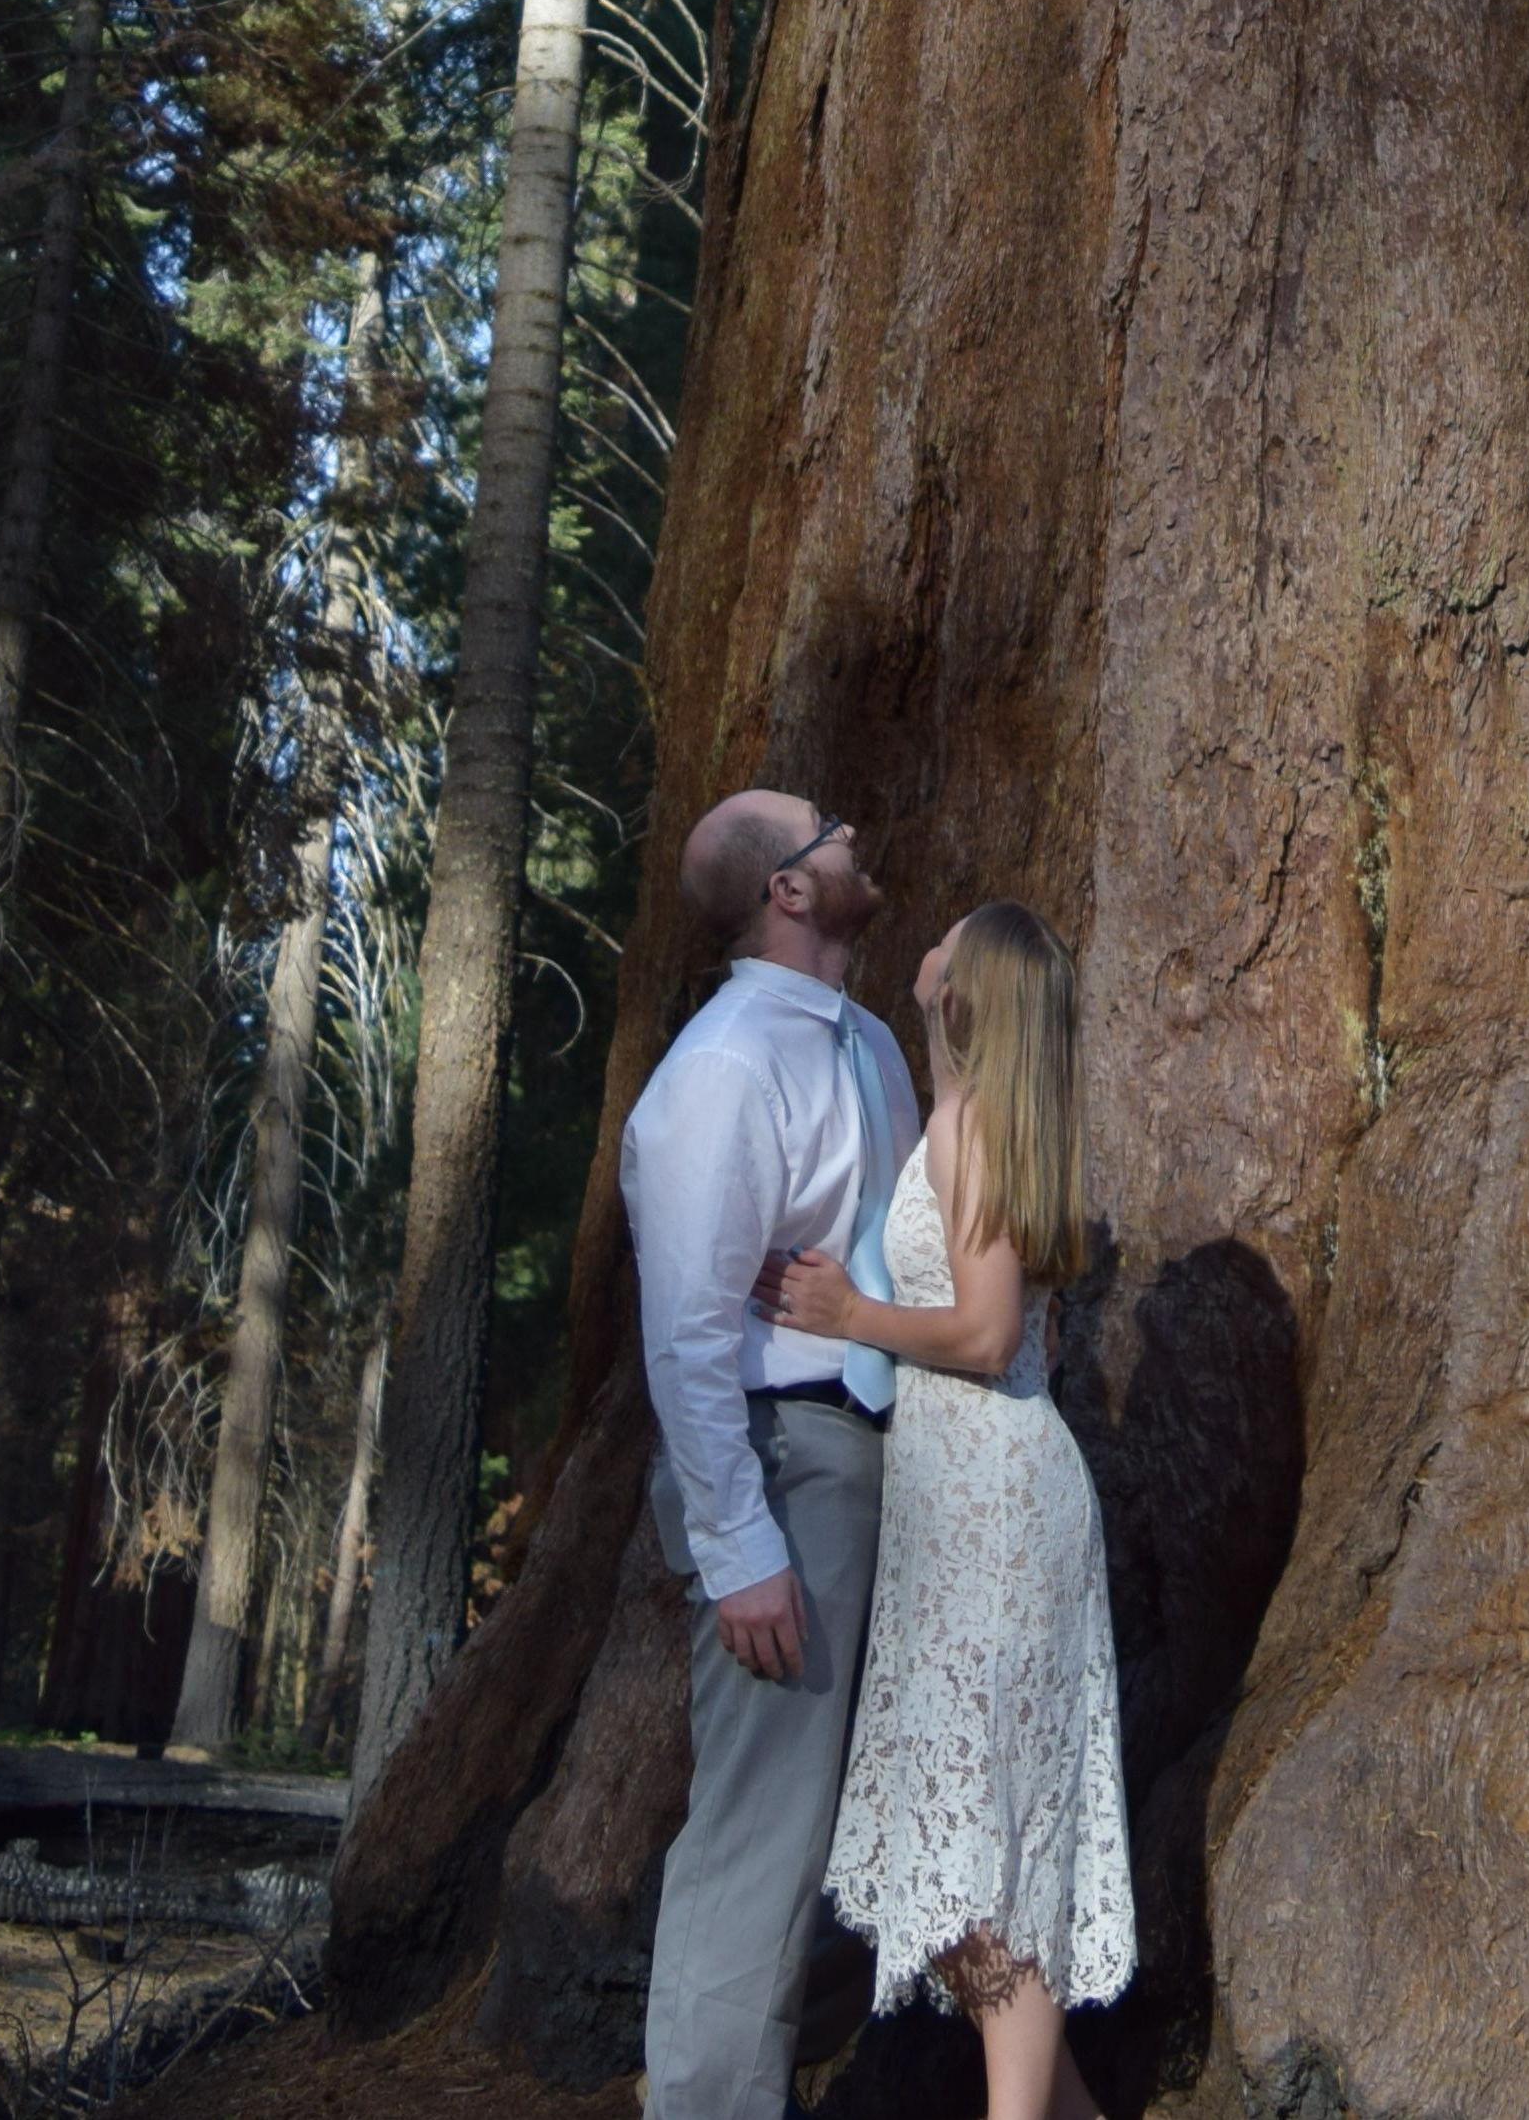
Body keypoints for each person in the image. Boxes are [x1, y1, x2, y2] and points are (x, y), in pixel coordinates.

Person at [759, 899, 1134, 2120]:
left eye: (950, 946)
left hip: (995, 1509)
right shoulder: (966, 1115)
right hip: (957, 1506)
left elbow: (986, 1330)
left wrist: (850, 1319)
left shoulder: (974, 1131)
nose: (928, 948)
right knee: (948, 1864)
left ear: (968, 989)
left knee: (985, 1860)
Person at [617, 784, 919, 2120]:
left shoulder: (868, 1045)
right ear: (788, 888)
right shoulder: (725, 1065)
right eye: (825, 827)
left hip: (876, 1455)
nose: (851, 835)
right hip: (778, 1463)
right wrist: (738, 1543)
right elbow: (686, 1325)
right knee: (761, 1830)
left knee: (817, 1831)